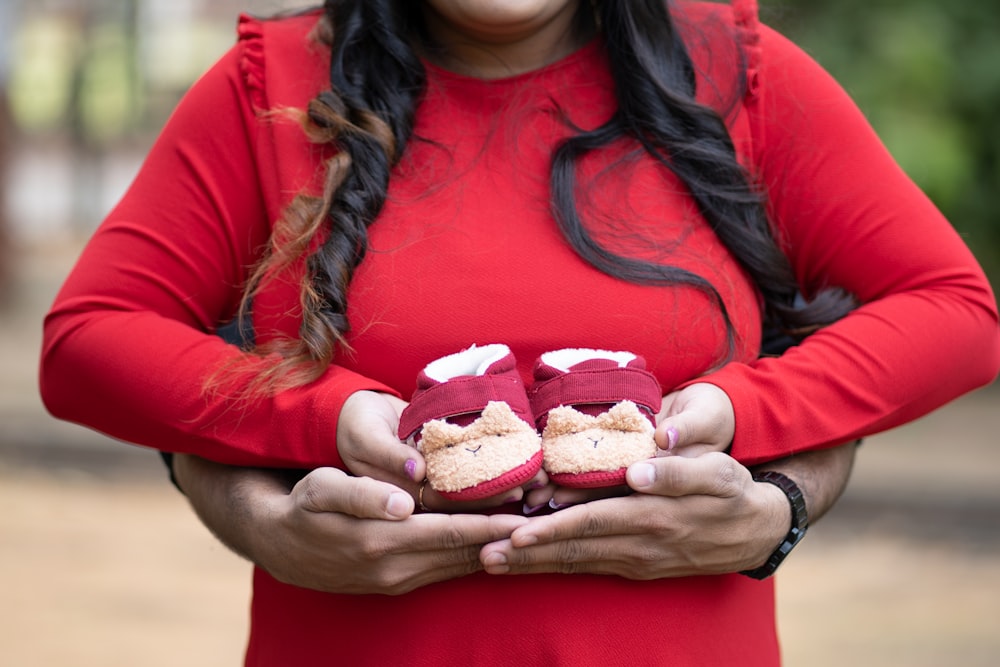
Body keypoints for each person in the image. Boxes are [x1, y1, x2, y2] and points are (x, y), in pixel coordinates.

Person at [39, 0, 999, 664]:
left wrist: (740, 425)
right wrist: (324, 422)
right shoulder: (277, 87)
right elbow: (91, 339)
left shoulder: (737, 74)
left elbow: (953, 311)